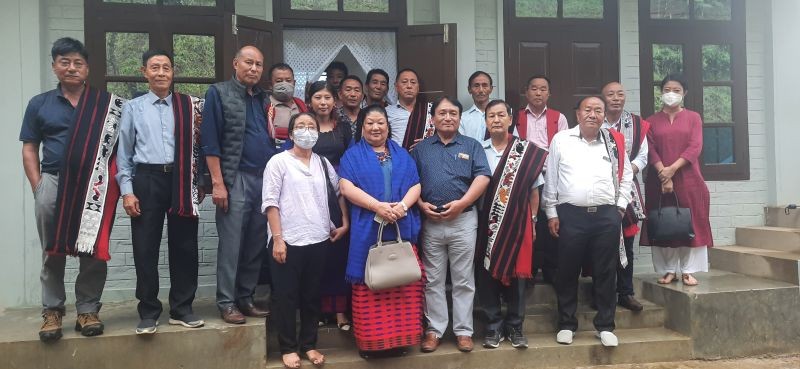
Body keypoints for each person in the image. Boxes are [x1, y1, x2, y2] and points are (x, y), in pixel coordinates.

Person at [20, 37, 124, 342]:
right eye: (64, 62)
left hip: (95, 185)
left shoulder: (105, 105)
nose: (71, 67)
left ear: (87, 69)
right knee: (52, 249)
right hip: (52, 180)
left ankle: (87, 310)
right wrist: (38, 187)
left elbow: (120, 150)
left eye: (78, 62)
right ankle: (52, 311)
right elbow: (29, 148)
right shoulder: (39, 104)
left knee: (92, 248)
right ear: (54, 67)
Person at [116, 50, 205, 334]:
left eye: (166, 67)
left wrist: (198, 182)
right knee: (145, 247)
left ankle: (182, 308)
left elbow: (200, 147)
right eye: (155, 67)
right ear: (144, 72)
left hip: (180, 178)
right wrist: (127, 191)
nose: (161, 72)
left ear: (173, 72)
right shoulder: (133, 107)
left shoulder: (187, 106)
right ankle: (149, 311)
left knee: (185, 246)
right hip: (147, 179)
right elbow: (124, 154)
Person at [262, 112, 349, 369]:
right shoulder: (278, 162)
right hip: (287, 240)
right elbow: (270, 203)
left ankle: (309, 344)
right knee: (287, 296)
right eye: (300, 126)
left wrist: (345, 221)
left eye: (311, 126)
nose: (307, 130)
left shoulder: (322, 163)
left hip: (319, 238)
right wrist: (278, 239)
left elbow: (338, 192)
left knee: (312, 296)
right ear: (290, 134)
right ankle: (288, 348)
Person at [544, 96, 632, 347]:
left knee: (606, 271)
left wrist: (621, 206)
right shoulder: (562, 139)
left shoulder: (614, 141)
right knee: (568, 270)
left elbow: (624, 175)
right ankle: (566, 324)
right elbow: (551, 177)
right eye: (588, 110)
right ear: (578, 114)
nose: (593, 114)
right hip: (571, 214)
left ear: (604, 115)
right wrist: (551, 212)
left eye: (598, 110)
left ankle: (605, 325)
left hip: (607, 215)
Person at [339, 104, 424, 356]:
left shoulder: (402, 154)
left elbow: (415, 184)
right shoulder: (352, 156)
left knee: (402, 286)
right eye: (370, 123)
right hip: (367, 230)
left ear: (388, 126)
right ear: (362, 127)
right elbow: (345, 187)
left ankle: (400, 341)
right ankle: (372, 345)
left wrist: (402, 207)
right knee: (370, 288)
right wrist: (378, 206)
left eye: (381, 123)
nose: (376, 127)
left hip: (401, 225)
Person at [411, 96, 491, 353]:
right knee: (433, 279)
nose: (447, 117)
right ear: (433, 119)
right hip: (431, 222)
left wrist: (461, 203)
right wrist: (421, 204)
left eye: (453, 113)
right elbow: (411, 182)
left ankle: (464, 331)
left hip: (463, 220)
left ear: (459, 117)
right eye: (442, 113)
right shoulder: (421, 149)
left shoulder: (472, 145)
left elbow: (483, 177)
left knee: (463, 279)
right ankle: (434, 330)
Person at [201, 45, 273, 324]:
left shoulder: (263, 98)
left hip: (263, 178)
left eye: (258, 64)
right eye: (248, 63)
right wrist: (218, 183)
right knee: (232, 245)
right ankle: (227, 301)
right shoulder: (219, 93)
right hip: (236, 178)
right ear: (235, 63)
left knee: (255, 243)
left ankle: (246, 297)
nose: (254, 68)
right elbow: (210, 142)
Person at [477, 99, 547, 349]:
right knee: (487, 274)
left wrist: (534, 220)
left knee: (518, 277)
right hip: (486, 221)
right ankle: (493, 327)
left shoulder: (525, 152)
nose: (496, 120)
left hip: (519, 223)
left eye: (500, 115)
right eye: (491, 116)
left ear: (510, 120)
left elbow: (534, 191)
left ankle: (515, 327)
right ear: (485, 122)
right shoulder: (478, 149)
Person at [640, 74, 713, 287]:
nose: (671, 93)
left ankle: (688, 271)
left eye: (677, 90)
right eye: (667, 89)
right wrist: (663, 172)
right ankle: (668, 270)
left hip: (689, 178)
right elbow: (650, 149)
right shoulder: (651, 121)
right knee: (664, 222)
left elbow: (695, 147)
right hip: (658, 178)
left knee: (690, 223)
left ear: (684, 93)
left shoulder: (693, 118)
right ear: (661, 92)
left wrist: (672, 169)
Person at [514, 74, 569, 284]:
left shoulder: (558, 117)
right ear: (526, 92)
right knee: (529, 222)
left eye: (543, 89)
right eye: (534, 88)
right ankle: (529, 268)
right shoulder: (517, 117)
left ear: (549, 93)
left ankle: (551, 268)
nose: (538, 93)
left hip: (552, 176)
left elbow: (565, 148)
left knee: (553, 222)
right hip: (526, 178)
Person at [601, 81, 650, 311]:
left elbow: (643, 157)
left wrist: (625, 172)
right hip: (600, 190)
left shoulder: (636, 124)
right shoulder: (594, 121)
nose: (616, 98)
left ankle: (626, 292)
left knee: (627, 245)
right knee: (600, 246)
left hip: (627, 192)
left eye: (620, 94)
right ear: (603, 98)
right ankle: (602, 293)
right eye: (611, 94)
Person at [386, 68, 431, 149]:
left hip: (425, 157)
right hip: (398, 158)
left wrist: (428, 142)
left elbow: (443, 136)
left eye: (413, 82)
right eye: (404, 82)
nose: (409, 86)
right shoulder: (387, 112)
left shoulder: (431, 110)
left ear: (418, 87)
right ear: (396, 87)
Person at [266, 63, 308, 147]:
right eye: (279, 81)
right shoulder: (265, 106)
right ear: (270, 85)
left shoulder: (301, 106)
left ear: (294, 83)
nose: (284, 84)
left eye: (288, 81)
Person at [459, 71, 494, 141]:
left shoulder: (502, 116)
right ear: (469, 89)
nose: (481, 90)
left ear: (491, 89)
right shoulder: (462, 119)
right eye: (476, 86)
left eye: (485, 85)